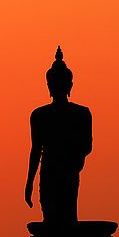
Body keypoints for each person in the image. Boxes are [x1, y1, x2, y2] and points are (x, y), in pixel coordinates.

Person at [24, 46, 93, 223]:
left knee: (68, 214)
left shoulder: (81, 114)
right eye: (52, 84)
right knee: (49, 216)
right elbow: (35, 150)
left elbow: (86, 145)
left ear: (70, 85)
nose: (55, 88)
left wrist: (73, 162)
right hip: (48, 171)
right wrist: (29, 182)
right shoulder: (39, 115)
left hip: (68, 170)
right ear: (49, 86)